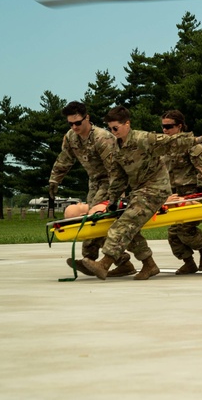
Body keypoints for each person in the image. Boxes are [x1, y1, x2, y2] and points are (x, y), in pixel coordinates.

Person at [79, 106, 202, 281]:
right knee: (127, 224)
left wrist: (198, 139)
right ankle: (149, 264)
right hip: (142, 192)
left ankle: (104, 263)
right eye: (110, 129)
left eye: (116, 128)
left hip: (156, 190)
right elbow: (118, 176)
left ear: (127, 124)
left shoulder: (143, 138)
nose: (112, 132)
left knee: (129, 222)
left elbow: (170, 142)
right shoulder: (116, 147)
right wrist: (112, 200)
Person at [48, 101, 136, 278]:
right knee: (95, 221)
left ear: (87, 118)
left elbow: (115, 170)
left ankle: (97, 259)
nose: (74, 127)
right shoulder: (71, 137)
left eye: (78, 123)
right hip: (94, 182)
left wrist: (114, 196)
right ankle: (104, 260)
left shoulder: (102, 138)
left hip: (111, 181)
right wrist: (54, 180)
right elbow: (65, 159)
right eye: (70, 123)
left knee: (94, 218)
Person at [160, 109, 202, 275]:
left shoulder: (193, 146)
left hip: (192, 192)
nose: (165, 130)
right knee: (172, 233)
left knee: (184, 229)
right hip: (174, 195)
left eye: (169, 126)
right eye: (163, 126)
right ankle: (189, 263)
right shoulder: (165, 147)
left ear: (179, 126)